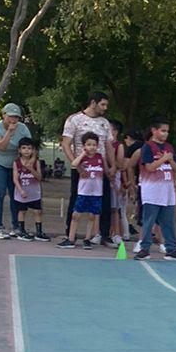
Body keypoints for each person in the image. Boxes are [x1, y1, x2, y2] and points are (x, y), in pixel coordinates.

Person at [61, 91, 114, 245]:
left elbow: (108, 145)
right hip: (82, 168)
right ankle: (70, 235)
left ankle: (103, 235)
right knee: (76, 200)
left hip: (100, 168)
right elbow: (66, 144)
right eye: (102, 104)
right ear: (93, 102)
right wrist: (77, 165)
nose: (105, 108)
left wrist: (113, 165)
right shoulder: (74, 119)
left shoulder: (105, 123)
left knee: (103, 200)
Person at [132, 119, 176, 261]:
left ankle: (171, 249)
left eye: (167, 131)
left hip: (167, 190)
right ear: (154, 131)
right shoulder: (148, 147)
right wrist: (163, 160)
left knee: (168, 222)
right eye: (163, 130)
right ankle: (145, 249)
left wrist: (171, 161)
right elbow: (149, 167)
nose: (165, 134)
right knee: (149, 220)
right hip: (152, 190)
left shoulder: (169, 147)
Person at [0, 102, 34, 238]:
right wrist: (9, 132)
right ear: (3, 115)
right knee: (0, 192)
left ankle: (16, 226)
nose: (13, 120)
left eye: (16, 117)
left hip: (14, 164)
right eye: (11, 116)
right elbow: (1, 146)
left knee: (15, 195)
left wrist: (29, 163)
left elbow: (30, 146)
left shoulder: (23, 129)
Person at [56, 133, 108, 248]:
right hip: (83, 192)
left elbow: (104, 171)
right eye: (89, 145)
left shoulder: (100, 157)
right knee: (76, 215)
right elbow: (74, 164)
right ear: (84, 146)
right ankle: (70, 238)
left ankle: (87, 239)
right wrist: (83, 154)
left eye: (94, 145)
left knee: (92, 216)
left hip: (96, 193)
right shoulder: (82, 157)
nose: (92, 147)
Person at [11, 140, 49, 240]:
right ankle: (21, 231)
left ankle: (39, 232)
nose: (26, 150)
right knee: (22, 211)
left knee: (37, 211)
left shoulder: (36, 162)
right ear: (19, 150)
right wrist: (20, 190)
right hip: (22, 192)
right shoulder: (16, 162)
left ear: (32, 150)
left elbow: (39, 177)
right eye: (24, 148)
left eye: (29, 148)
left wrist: (31, 169)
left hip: (34, 192)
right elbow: (15, 178)